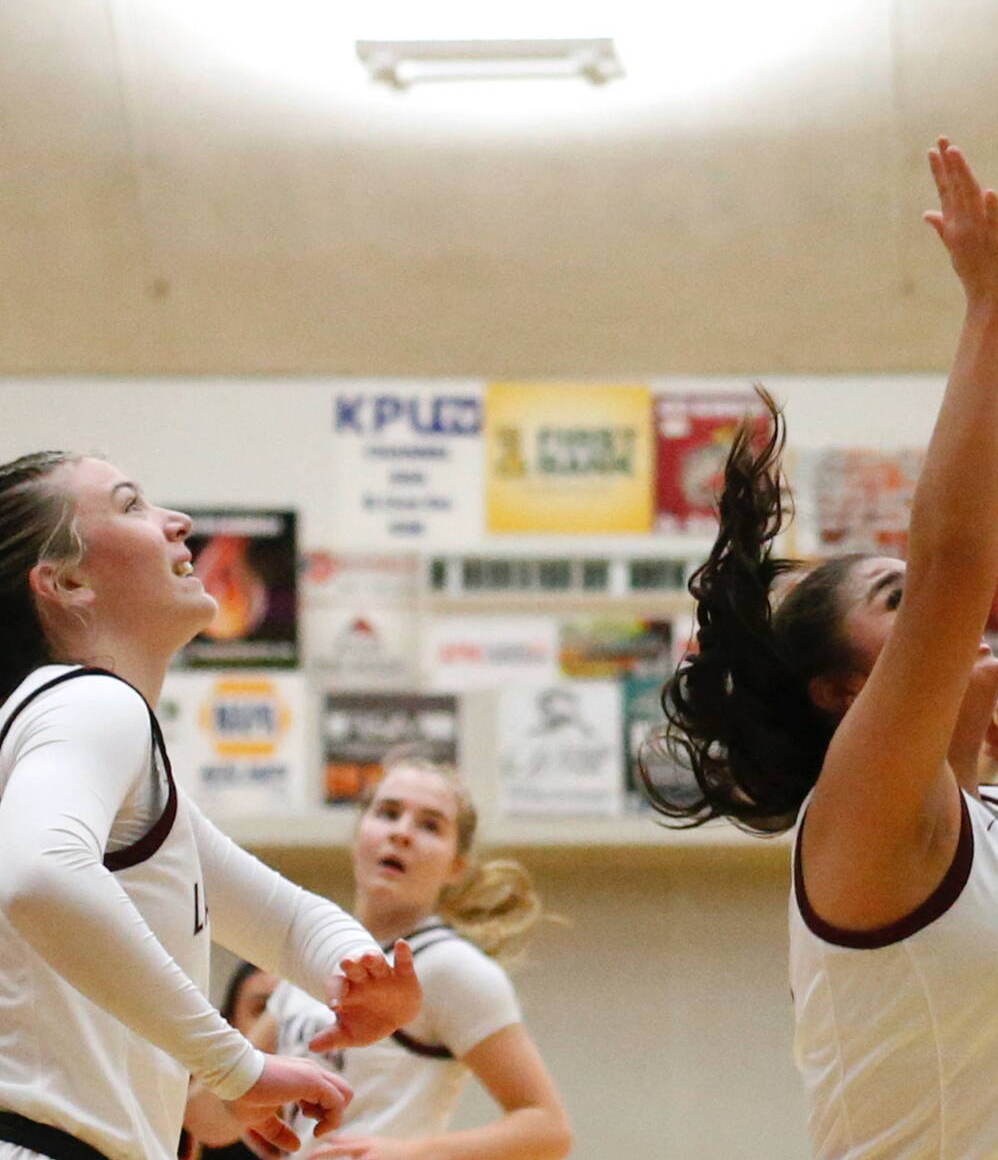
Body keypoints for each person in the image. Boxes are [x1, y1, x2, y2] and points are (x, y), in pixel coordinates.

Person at [643, 140, 998, 1159]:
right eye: (892, 602)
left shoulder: (976, 822)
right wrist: (991, 308)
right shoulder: (853, 813)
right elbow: (954, 559)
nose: (937, 614)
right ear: (842, 689)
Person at [0, 452, 423, 1160]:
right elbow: (42, 877)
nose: (179, 522)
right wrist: (236, 1066)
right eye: (131, 505)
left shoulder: (71, 729)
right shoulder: (92, 702)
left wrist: (353, 971)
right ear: (68, 581)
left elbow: (284, 920)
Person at [261, 754, 572, 1160]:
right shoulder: (309, 954)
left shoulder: (450, 966)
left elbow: (547, 1129)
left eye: (429, 825)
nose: (401, 833)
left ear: (456, 867)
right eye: (387, 813)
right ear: (359, 835)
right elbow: (216, 1111)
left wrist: (412, 1154)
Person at [183, 962, 282, 1160]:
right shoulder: (202, 1118)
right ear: (231, 1027)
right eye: (262, 1009)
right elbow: (198, 1119)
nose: (283, 1026)